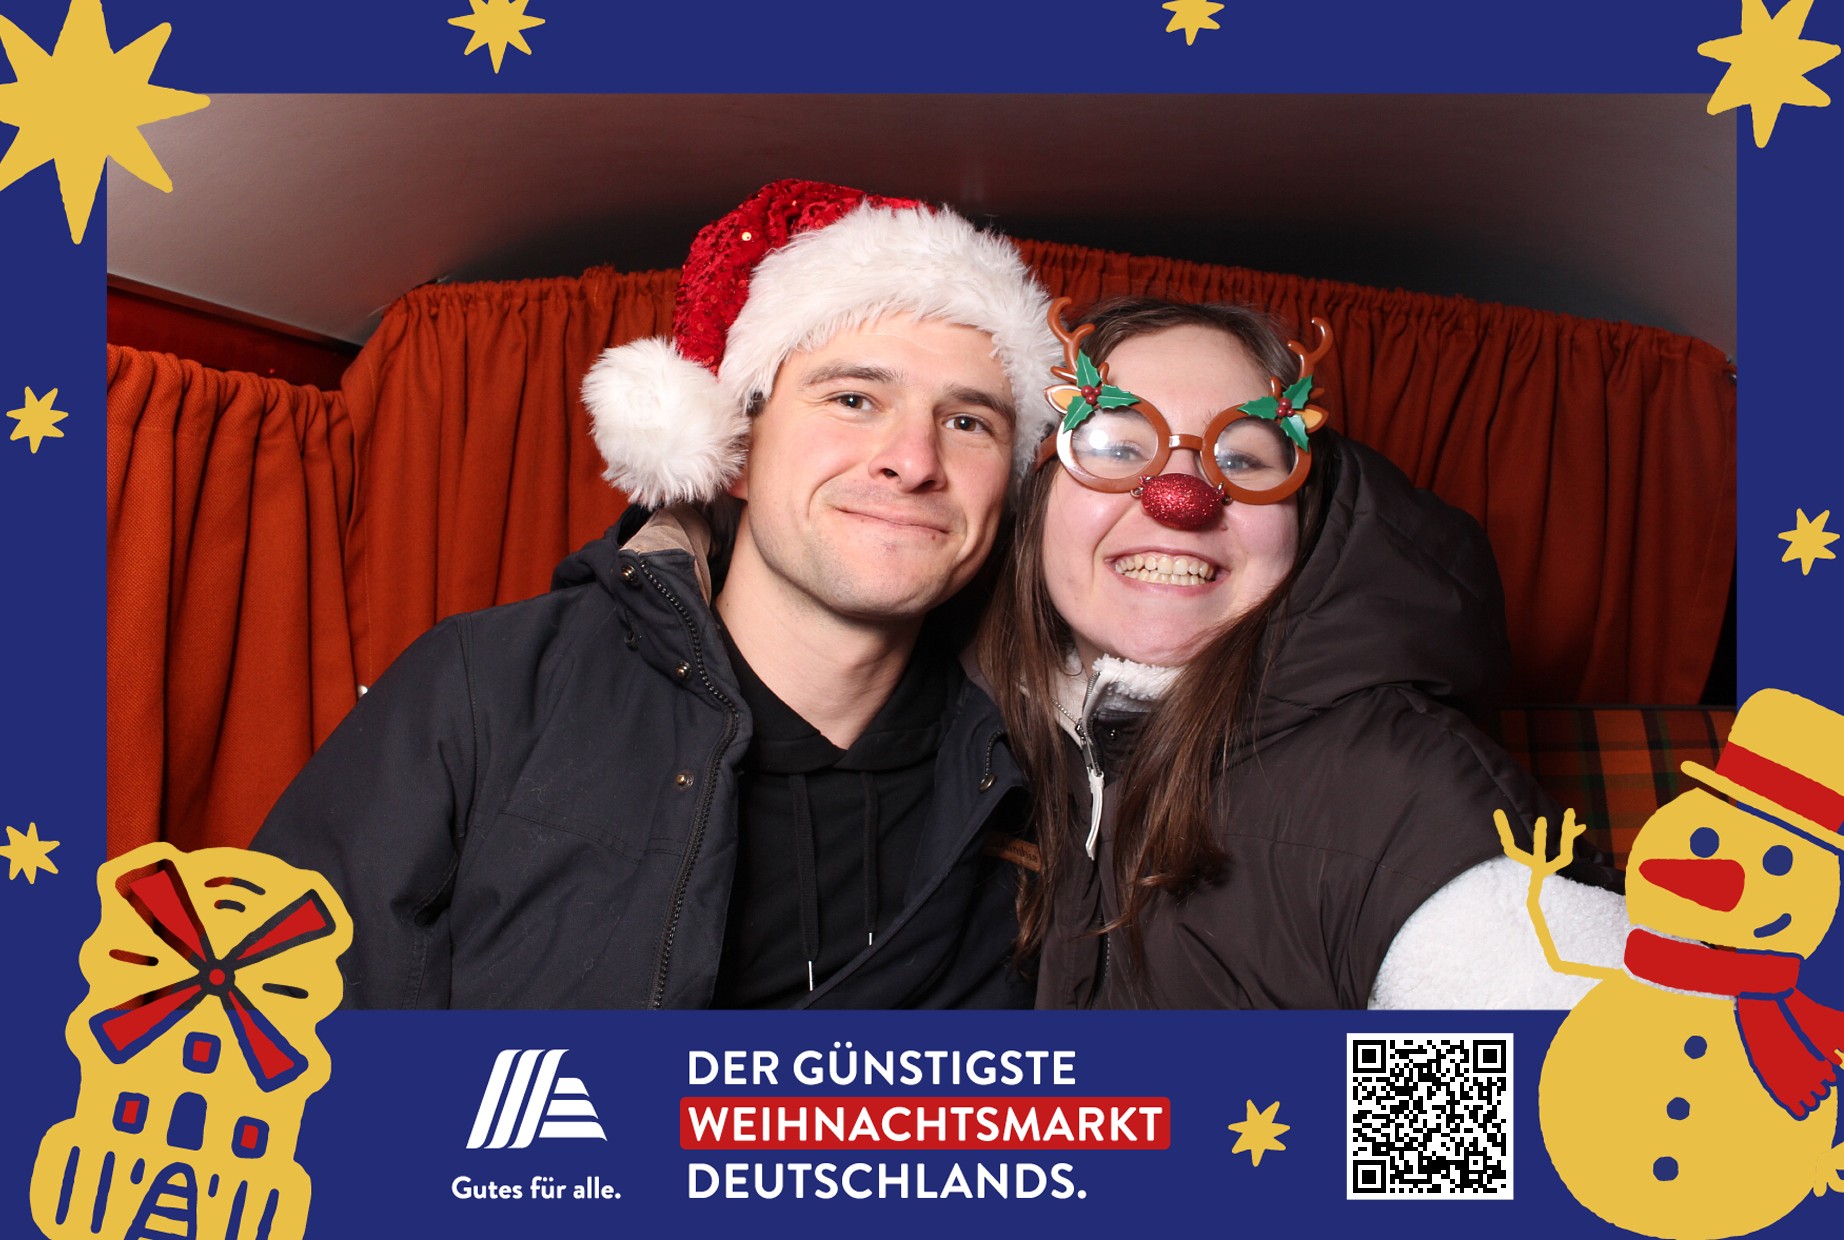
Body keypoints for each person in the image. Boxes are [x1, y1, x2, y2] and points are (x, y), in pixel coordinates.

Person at [255, 180, 1060, 1009]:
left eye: (969, 422)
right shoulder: (484, 691)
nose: (915, 461)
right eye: (854, 400)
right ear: (734, 449)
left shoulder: (1046, 760)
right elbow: (273, 1031)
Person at [978, 296, 1628, 1009]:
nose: (1181, 498)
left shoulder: (1397, 788)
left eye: (1242, 459)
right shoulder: (988, 742)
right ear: (1034, 498)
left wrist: (1288, 1087)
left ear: (1305, 519)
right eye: (1118, 446)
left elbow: (1573, 1075)